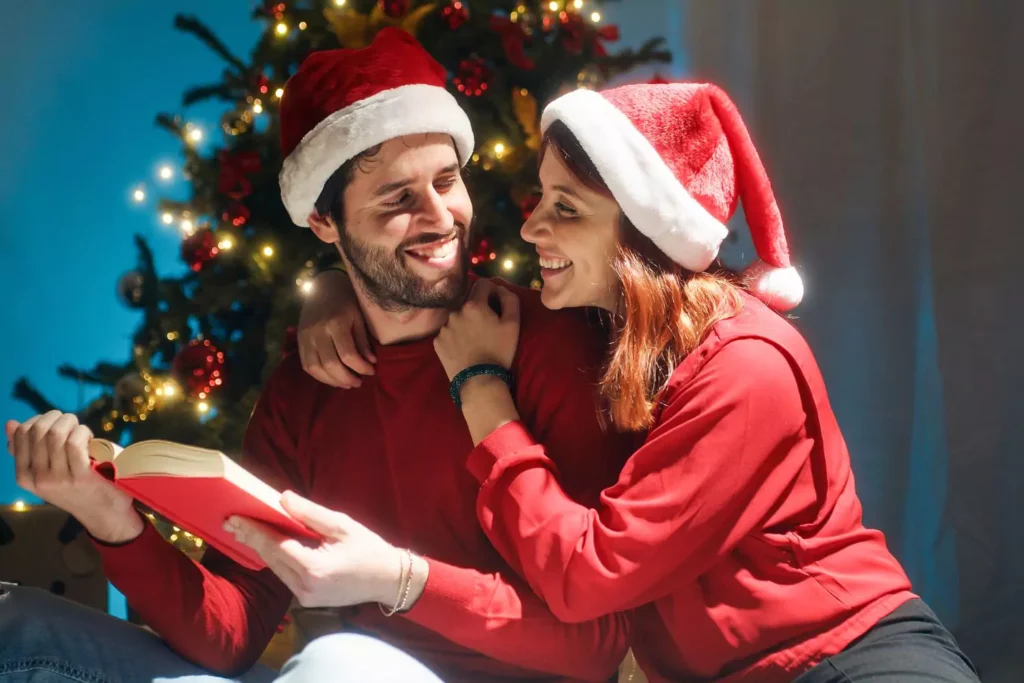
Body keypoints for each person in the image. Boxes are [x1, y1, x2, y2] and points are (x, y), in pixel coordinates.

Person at [0, 29, 634, 683]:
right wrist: (110, 518)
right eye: (397, 199)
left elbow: (595, 642)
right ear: (325, 224)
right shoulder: (305, 388)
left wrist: (398, 578)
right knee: (17, 625)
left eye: (448, 181)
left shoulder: (547, 343)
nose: (441, 216)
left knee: (337, 660)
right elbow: (233, 629)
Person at [298, 82, 980, 682]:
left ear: (641, 237)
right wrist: (330, 288)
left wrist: (480, 386)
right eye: (542, 197)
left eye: (566, 208)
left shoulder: (747, 365)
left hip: (842, 659)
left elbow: (585, 578)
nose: (531, 225)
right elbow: (401, 275)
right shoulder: (610, 332)